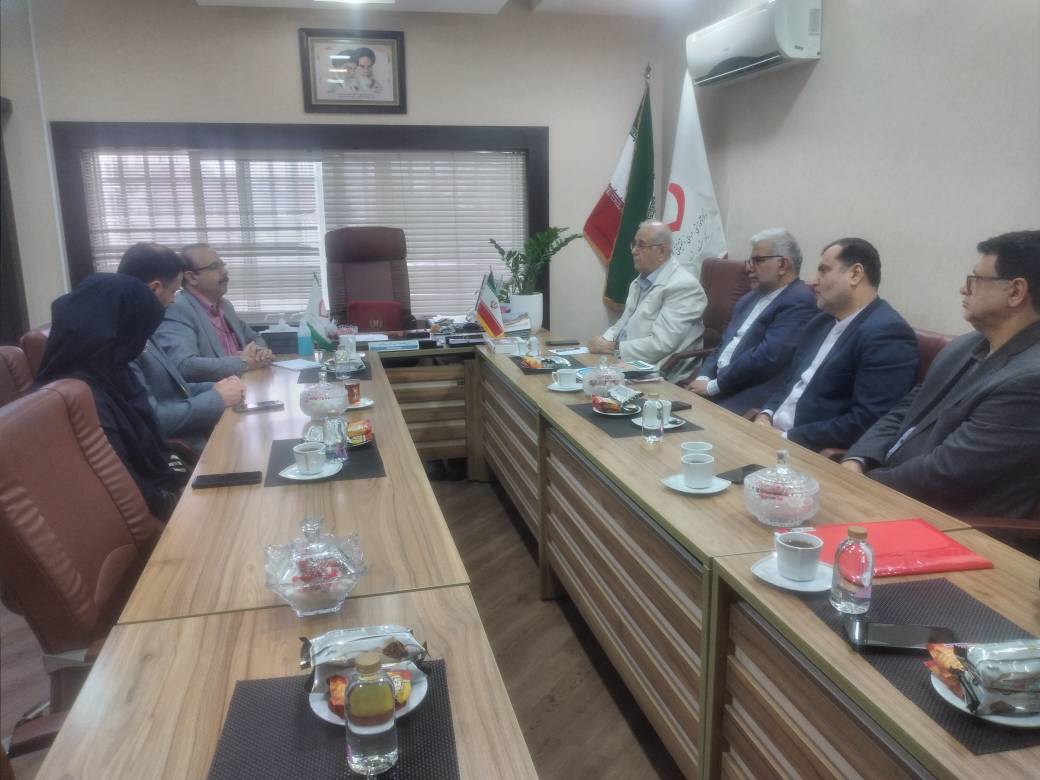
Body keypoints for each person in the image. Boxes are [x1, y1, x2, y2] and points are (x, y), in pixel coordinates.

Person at [843, 230, 1040, 518]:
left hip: (949, 523)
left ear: (1015, 292)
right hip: (889, 494)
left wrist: (864, 485)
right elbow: (905, 410)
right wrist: (858, 459)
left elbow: (948, 473)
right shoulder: (965, 345)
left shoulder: (1031, 380)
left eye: (976, 280)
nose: (963, 289)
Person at [34, 273, 186, 520]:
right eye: (140, 333)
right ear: (123, 330)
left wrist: (182, 479)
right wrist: (180, 501)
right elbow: (124, 486)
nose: (141, 344)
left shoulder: (115, 371)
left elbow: (154, 442)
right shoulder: (80, 394)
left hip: (161, 492)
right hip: (148, 518)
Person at [753, 237, 918, 451]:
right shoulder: (820, 322)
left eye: (824, 270)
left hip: (807, 451)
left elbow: (867, 421)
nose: (813, 281)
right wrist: (766, 415)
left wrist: (786, 437)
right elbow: (790, 383)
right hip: (768, 434)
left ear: (855, 274)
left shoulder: (888, 334)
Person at [117, 242, 245, 451]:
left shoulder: (139, 328)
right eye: (173, 291)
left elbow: (174, 389)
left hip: (193, 438)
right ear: (155, 289)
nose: (173, 301)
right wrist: (217, 398)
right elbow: (152, 420)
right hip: (173, 453)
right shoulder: (120, 343)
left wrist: (218, 387)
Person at [686, 228, 817, 414]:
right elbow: (723, 344)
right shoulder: (750, 298)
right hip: (714, 385)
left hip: (746, 394)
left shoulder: (800, 301)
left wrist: (714, 386)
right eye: (750, 261)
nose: (748, 268)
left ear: (783, 265)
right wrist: (704, 377)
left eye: (758, 260)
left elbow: (767, 357)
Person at [588, 220, 707, 382]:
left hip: (657, 370)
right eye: (634, 245)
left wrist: (612, 348)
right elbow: (623, 325)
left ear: (661, 252)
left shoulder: (683, 286)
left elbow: (662, 344)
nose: (633, 251)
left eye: (641, 245)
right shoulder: (640, 281)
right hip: (625, 359)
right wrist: (603, 341)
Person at [154, 243, 273, 382]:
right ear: (192, 277)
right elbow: (185, 365)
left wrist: (259, 353)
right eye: (214, 266)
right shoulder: (177, 308)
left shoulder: (225, 305)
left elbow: (255, 339)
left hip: (246, 385)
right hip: (213, 391)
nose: (224, 271)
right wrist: (243, 362)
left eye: (222, 265)